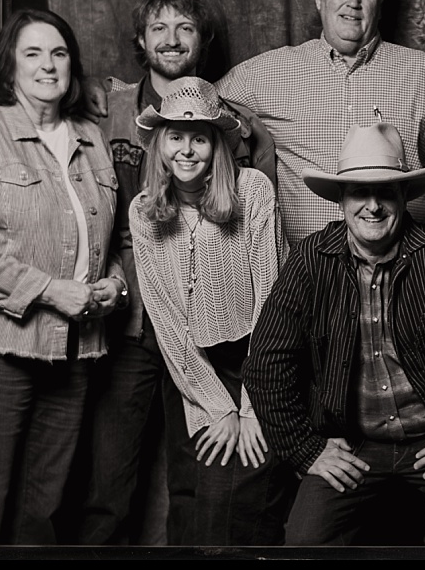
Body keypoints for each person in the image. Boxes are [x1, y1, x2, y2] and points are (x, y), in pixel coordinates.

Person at [242, 120, 425, 546]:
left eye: (386, 192)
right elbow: (265, 365)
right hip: (355, 442)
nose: (372, 206)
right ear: (340, 199)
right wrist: (306, 449)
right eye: (360, 192)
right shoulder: (309, 262)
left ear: (403, 197)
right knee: (303, 544)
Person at [81, 0, 425, 247]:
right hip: (308, 279)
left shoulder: (420, 72)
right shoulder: (268, 73)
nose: (354, 3)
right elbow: (192, 100)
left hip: (407, 269)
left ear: (380, 2)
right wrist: (99, 90)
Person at [74, 0, 277, 545]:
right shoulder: (106, 105)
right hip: (137, 323)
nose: (171, 38)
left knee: (209, 480)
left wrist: (249, 400)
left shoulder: (242, 140)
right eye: (159, 27)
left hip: (229, 340)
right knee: (112, 477)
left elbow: (266, 276)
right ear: (141, 38)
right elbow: (44, 113)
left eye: (185, 27)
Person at [0, 8, 126, 544]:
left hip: (73, 352)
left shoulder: (92, 140)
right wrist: (48, 290)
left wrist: (115, 281)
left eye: (59, 53)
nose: (49, 65)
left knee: (41, 518)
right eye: (33, 53)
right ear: (9, 67)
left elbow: (110, 241)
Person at [128, 76, 290, 545]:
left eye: (199, 137)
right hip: (192, 372)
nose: (186, 149)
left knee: (243, 502)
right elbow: (166, 320)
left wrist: (254, 405)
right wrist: (220, 408)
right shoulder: (144, 212)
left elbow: (271, 303)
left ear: (217, 144)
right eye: (175, 137)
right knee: (196, 500)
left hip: (257, 362)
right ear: (159, 145)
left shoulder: (253, 190)